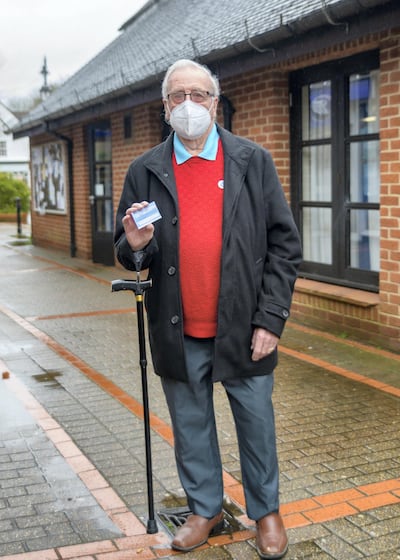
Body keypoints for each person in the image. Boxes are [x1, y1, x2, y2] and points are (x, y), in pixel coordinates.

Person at [114, 59, 302, 559]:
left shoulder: (251, 161)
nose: (189, 104)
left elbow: (284, 246)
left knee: (257, 423)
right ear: (165, 106)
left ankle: (267, 513)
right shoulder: (145, 170)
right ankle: (205, 508)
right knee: (191, 425)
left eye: (199, 94)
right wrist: (135, 247)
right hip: (178, 326)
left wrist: (272, 318)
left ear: (215, 103)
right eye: (179, 96)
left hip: (245, 327)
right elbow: (129, 248)